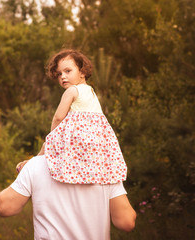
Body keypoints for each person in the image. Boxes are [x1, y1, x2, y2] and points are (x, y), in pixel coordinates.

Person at [18, 49, 127, 185]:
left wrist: (52, 138)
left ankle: (31, 165)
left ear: (82, 72)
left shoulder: (72, 90)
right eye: (59, 74)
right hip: (95, 145)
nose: (63, 76)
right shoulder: (91, 92)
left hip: (78, 141)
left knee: (49, 144)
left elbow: (58, 117)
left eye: (68, 71)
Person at [0, 155, 136, 239]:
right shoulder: (106, 167)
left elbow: (4, 208)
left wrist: (34, 161)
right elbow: (127, 222)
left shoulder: (37, 164)